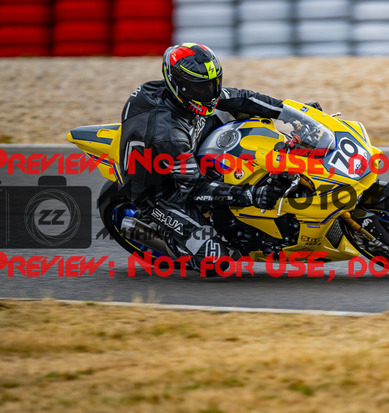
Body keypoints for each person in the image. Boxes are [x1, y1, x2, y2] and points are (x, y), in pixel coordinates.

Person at [119, 42, 318, 272]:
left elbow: (243, 98)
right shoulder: (167, 135)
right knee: (217, 263)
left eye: (213, 84)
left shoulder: (187, 97)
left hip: (185, 145)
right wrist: (254, 195)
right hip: (161, 191)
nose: (209, 92)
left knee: (241, 109)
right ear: (178, 86)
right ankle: (171, 241)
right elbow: (194, 189)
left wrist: (295, 113)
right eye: (200, 88)